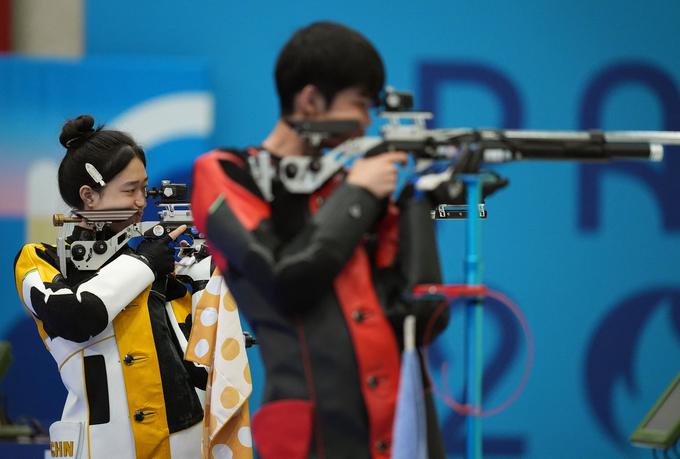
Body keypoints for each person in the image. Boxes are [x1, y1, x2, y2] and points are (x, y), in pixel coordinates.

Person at [192, 22, 446, 459]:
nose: (367, 122)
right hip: (312, 440)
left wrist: (420, 204)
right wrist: (359, 194)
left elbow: (423, 319)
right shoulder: (228, 173)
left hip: (405, 426)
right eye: (360, 104)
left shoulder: (351, 187)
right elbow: (283, 282)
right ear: (310, 100)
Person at [14, 115, 211, 459]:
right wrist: (144, 264)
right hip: (101, 445)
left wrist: (206, 264)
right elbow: (75, 316)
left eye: (144, 189)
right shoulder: (40, 260)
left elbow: (204, 341)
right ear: (89, 196)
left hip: (185, 442)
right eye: (129, 190)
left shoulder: (161, 259)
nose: (140, 202)